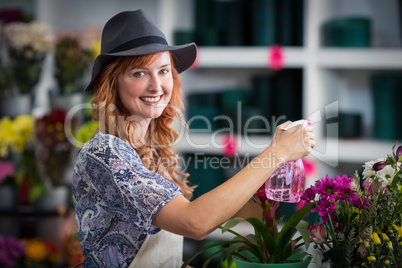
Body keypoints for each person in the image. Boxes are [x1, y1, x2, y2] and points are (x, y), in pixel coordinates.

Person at [71, 9, 316, 268]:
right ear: (113, 83)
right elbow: (194, 223)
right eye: (138, 73)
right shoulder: (105, 152)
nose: (156, 86)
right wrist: (275, 153)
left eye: (163, 71)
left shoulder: (153, 152)